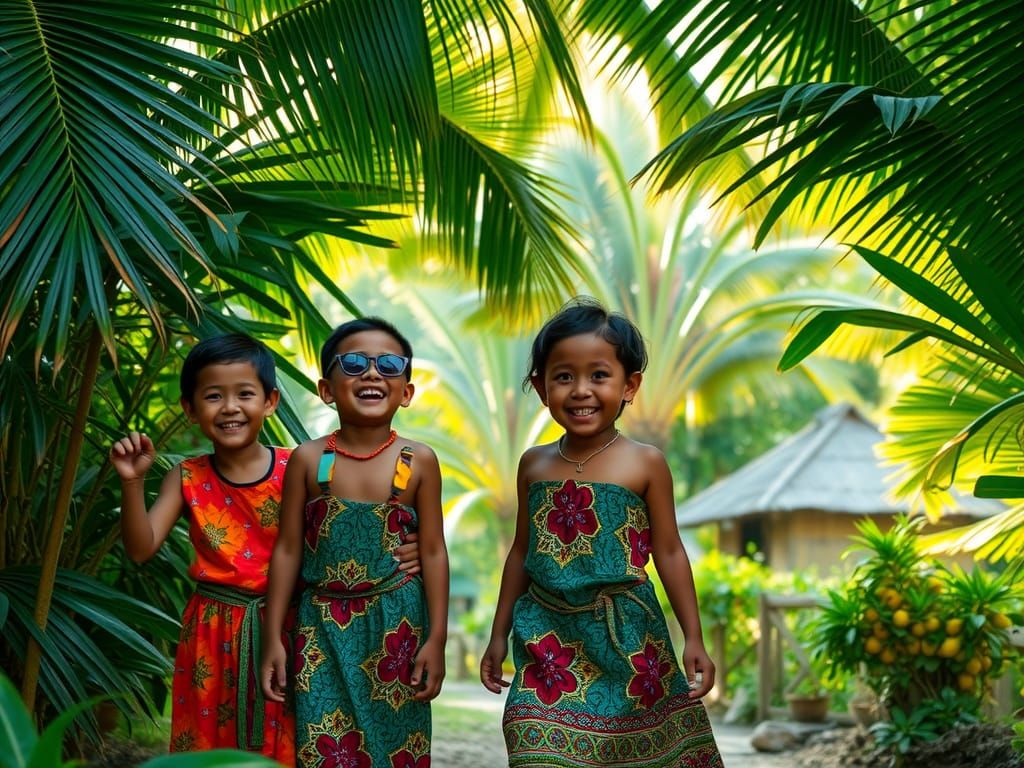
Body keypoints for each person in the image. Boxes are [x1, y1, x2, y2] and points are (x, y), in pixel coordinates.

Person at [110, 332, 421, 763]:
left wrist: (411, 547)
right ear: (190, 408)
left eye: (245, 394)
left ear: (270, 401)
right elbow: (141, 548)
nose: (230, 407)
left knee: (296, 742)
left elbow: (355, 523)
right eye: (213, 396)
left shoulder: (301, 464)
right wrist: (131, 480)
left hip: (294, 626)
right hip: (212, 631)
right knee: (208, 744)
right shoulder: (186, 477)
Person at [480, 298, 723, 767]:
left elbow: (669, 552)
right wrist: (498, 633)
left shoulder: (645, 462)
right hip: (545, 636)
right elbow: (520, 553)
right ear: (541, 385)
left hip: (629, 639)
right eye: (564, 376)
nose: (580, 391)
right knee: (534, 746)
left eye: (599, 375)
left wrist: (693, 637)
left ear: (630, 385)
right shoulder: (533, 464)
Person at [261, 317, 449, 767]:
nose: (371, 374)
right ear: (327, 389)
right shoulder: (311, 459)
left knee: (396, 744)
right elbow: (288, 549)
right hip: (320, 627)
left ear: (406, 392)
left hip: (397, 626)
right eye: (353, 364)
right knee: (323, 744)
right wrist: (273, 637)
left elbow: (434, 550)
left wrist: (437, 639)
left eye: (388, 364)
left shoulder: (417, 460)